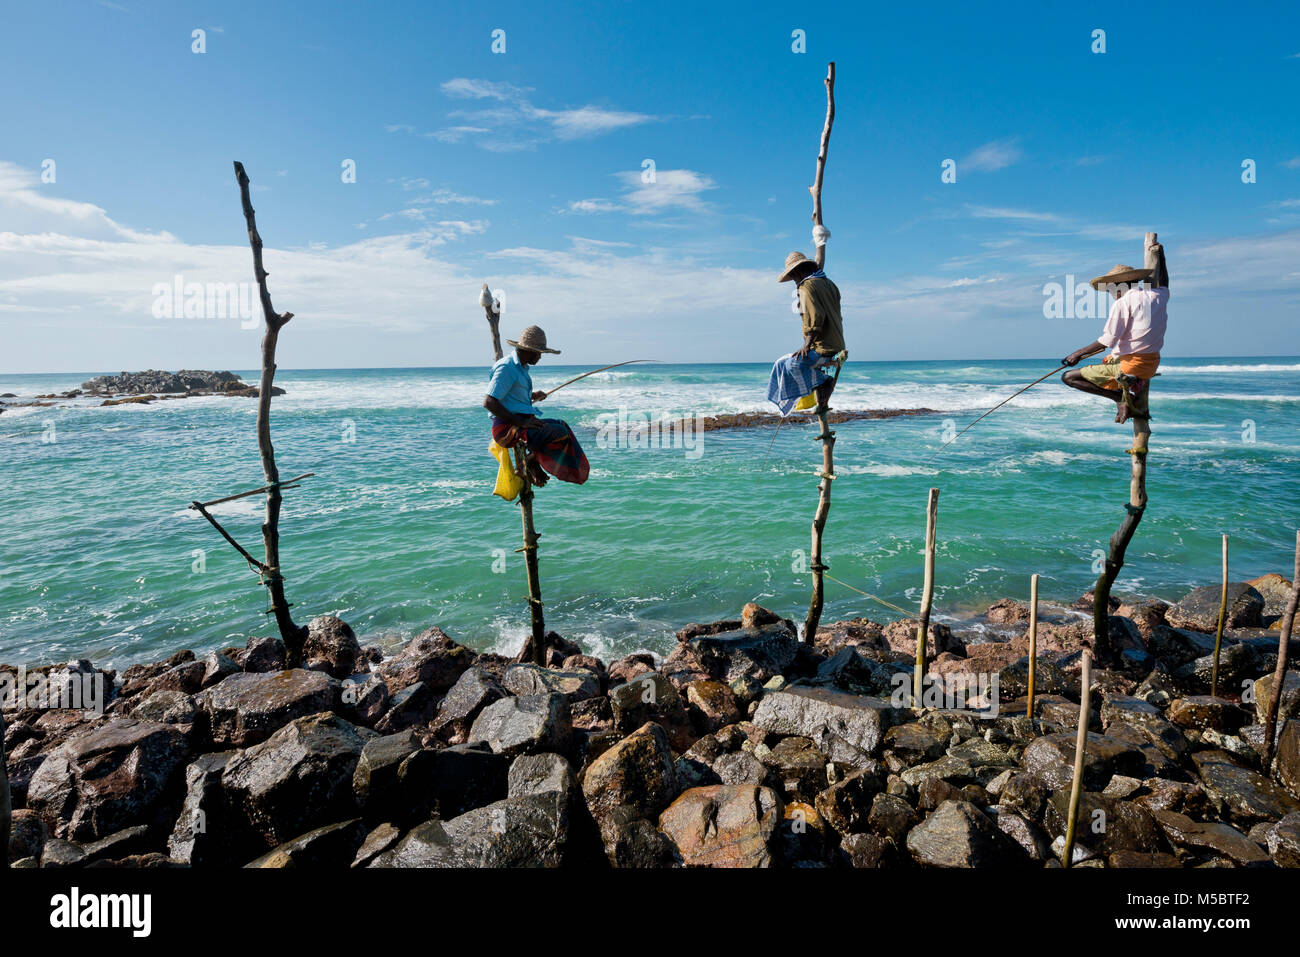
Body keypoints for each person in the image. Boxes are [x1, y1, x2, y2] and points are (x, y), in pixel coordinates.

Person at [1062, 241, 1170, 424]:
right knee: (1110, 358)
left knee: (1069, 377)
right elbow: (1164, 282)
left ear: (1121, 284)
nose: (1110, 293)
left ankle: (1118, 398)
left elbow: (1107, 340)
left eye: (1111, 287)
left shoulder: (1122, 303)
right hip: (1152, 363)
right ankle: (1125, 393)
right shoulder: (1157, 296)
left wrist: (1077, 354)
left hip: (1133, 367)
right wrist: (1162, 256)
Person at [483, 325, 589, 487]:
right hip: (507, 429)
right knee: (558, 433)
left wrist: (532, 396)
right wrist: (521, 422)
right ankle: (529, 463)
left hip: (520, 423)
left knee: (562, 425)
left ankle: (531, 461)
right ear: (529, 350)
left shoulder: (521, 368)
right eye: (539, 353)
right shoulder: (507, 367)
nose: (540, 357)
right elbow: (489, 402)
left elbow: (511, 397)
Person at [767, 251, 847, 414]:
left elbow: (815, 316)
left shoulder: (806, 286)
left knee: (793, 365)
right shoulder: (829, 283)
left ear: (797, 271)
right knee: (780, 364)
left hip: (823, 346)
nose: (794, 280)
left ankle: (823, 381)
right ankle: (813, 389)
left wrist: (807, 345)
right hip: (837, 341)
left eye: (793, 276)